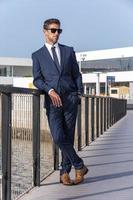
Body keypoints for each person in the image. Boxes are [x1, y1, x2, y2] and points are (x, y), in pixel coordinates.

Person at [32, 18, 88, 185]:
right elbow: (37, 79)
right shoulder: (37, 55)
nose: (56, 34)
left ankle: (65, 172)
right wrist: (49, 90)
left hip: (70, 98)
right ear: (45, 31)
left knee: (68, 137)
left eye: (59, 31)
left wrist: (78, 94)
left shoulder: (68, 51)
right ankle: (79, 165)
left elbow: (77, 74)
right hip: (52, 101)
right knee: (58, 136)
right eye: (53, 30)